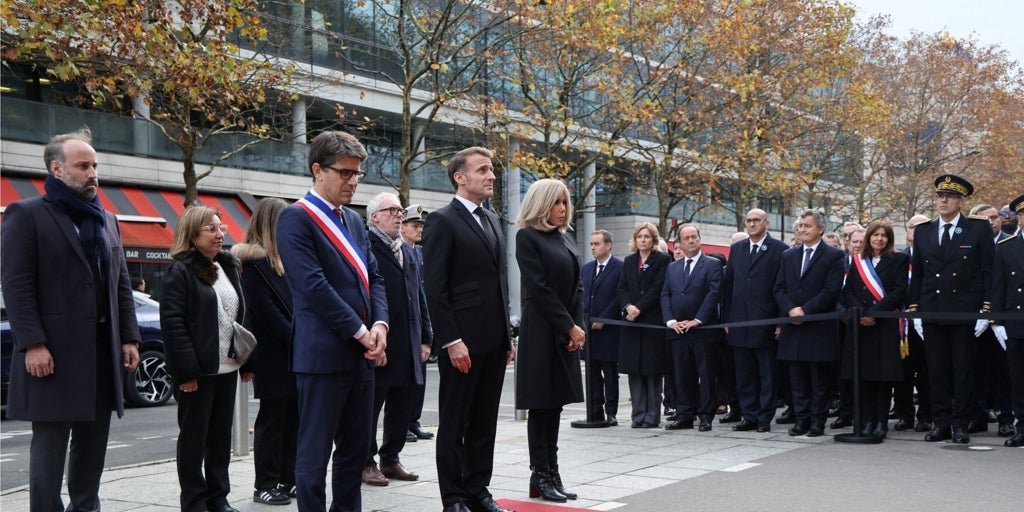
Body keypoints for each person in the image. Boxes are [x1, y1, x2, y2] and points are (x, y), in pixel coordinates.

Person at [0, 128, 141, 512]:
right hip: (53, 353)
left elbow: (121, 285)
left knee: (93, 445)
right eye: (83, 165)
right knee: (49, 448)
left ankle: (86, 507)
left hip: (100, 353)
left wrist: (129, 338)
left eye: (94, 165)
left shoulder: (107, 219)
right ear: (57, 169)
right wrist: (32, 343)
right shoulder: (25, 214)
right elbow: (16, 285)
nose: (93, 172)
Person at [276, 131, 389, 512]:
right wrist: (360, 332)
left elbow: (375, 278)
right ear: (317, 170)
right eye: (344, 173)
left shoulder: (355, 223)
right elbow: (312, 286)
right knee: (314, 454)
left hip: (362, 356)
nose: (353, 181)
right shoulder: (295, 218)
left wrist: (380, 325)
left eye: (357, 174)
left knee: (355, 453)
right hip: (323, 356)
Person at [422, 146, 515, 512]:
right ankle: (454, 498)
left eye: (492, 170)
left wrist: (507, 337)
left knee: (484, 422)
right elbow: (435, 286)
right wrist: (452, 339)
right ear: (460, 177)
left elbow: (500, 284)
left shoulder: (492, 220)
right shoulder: (442, 220)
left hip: (493, 341)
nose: (491, 176)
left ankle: (478, 490)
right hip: (462, 342)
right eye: (483, 170)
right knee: (454, 422)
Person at [161, 205, 254, 512]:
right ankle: (194, 501)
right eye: (211, 229)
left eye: (221, 228)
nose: (220, 234)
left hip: (227, 367)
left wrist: (247, 361)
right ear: (192, 234)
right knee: (193, 440)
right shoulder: (181, 271)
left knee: (219, 439)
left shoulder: (226, 266)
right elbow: (173, 324)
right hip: (197, 373)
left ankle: (218, 498)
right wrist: (186, 373)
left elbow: (239, 317)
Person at [907, 174, 994, 444]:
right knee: (937, 370)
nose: (943, 200)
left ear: (961, 201)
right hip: (933, 309)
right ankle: (940, 422)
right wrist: (915, 309)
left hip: (964, 310)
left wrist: (986, 309)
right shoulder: (924, 231)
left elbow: (989, 271)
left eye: (950, 196)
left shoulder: (977, 229)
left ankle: (960, 424)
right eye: (940, 196)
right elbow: (918, 274)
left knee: (963, 370)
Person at [514, 178, 585, 503]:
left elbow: (578, 286)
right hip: (542, 332)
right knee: (542, 405)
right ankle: (539, 474)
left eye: (565, 203)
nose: (562, 209)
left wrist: (576, 327)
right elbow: (538, 288)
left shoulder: (565, 237)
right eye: (557, 203)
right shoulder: (527, 237)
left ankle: (551, 473)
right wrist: (568, 326)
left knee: (555, 405)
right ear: (542, 204)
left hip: (565, 330)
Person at [363, 193, 432, 487]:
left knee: (402, 406)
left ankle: (391, 459)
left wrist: (426, 338)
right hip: (381, 343)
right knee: (370, 407)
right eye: (392, 210)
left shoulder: (408, 250)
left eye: (400, 210)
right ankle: (366, 463)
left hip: (409, 343)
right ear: (374, 216)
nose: (399, 215)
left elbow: (419, 297)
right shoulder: (366, 246)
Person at [231, 197, 297, 506]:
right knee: (272, 420)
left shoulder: (284, 260)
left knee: (293, 418)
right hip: (273, 355)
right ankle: (265, 484)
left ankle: (289, 478)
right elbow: (266, 315)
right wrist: (301, 338)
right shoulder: (254, 265)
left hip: (292, 353)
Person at [774, 210, 845, 437]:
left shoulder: (833, 255)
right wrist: (790, 309)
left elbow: (831, 290)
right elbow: (779, 288)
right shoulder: (789, 255)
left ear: (820, 229)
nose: (802, 229)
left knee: (819, 380)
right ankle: (801, 419)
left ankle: (817, 421)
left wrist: (805, 311)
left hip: (818, 326)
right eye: (800, 225)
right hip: (793, 327)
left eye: (807, 225)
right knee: (797, 378)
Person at [840, 220, 909, 440]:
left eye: (884, 236)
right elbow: (848, 290)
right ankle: (866, 420)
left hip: (885, 324)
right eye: (875, 235)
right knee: (864, 375)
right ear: (869, 237)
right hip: (861, 325)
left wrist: (875, 312)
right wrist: (862, 313)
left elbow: (899, 291)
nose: (879, 239)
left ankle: (881, 422)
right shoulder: (859, 260)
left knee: (883, 376)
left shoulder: (899, 259)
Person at [722, 208, 788, 433]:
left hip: (766, 321)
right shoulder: (738, 249)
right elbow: (729, 286)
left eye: (756, 220)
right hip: (740, 321)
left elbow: (782, 287)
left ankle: (764, 417)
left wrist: (781, 321)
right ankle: (748, 415)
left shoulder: (780, 249)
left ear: (766, 223)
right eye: (748, 220)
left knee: (767, 373)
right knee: (744, 373)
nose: (751, 224)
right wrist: (727, 320)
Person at [661, 224, 723, 432]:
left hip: (702, 331)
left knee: (705, 375)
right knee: (682, 374)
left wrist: (698, 319)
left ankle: (705, 416)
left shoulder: (712, 264)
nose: (690, 240)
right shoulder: (672, 267)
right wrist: (670, 322)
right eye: (686, 238)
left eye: (694, 237)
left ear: (699, 239)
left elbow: (713, 294)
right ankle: (685, 414)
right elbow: (665, 295)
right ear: (678, 242)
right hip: (678, 331)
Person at [617, 222, 671, 429]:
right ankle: (637, 415)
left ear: (653, 239)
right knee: (634, 371)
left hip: (651, 322)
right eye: (640, 237)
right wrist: (628, 306)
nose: (643, 240)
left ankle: (652, 415)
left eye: (647, 237)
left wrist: (639, 307)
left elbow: (658, 288)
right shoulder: (629, 261)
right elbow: (622, 288)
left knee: (652, 371)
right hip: (631, 323)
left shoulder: (663, 260)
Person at [966, 204, 1014, 436]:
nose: (991, 222)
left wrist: (998, 315)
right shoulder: (970, 243)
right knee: (976, 368)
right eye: (985, 219)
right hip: (976, 316)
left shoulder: (1010, 243)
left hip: (1003, 316)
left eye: (994, 217)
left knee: (1004, 370)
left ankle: (1006, 417)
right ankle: (978, 415)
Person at [892, 214, 934, 433]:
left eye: (921, 227)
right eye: (912, 227)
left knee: (926, 371)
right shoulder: (898, 258)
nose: (916, 232)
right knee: (903, 373)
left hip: (926, 323)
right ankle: (904, 414)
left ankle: (926, 415)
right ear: (906, 231)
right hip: (901, 324)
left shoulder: (933, 256)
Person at [582, 229, 624, 425]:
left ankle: (611, 411)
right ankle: (594, 409)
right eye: (591, 244)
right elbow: (582, 293)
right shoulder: (587, 268)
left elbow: (619, 296)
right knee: (591, 373)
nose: (593, 247)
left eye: (597, 244)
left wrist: (604, 318)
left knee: (609, 372)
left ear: (608, 245)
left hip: (609, 330)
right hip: (589, 329)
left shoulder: (619, 267)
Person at [992, 194, 1024, 447]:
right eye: (1023, 214)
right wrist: (998, 321)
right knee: (1018, 377)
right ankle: (1022, 425)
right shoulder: (1006, 247)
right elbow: (999, 287)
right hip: (1016, 321)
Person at [402, 204, 436, 443]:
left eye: (421, 226)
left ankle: (413, 421)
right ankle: (402, 423)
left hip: (422, 320)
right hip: (406, 324)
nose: (419, 230)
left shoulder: (420, 253)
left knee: (419, 379)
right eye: (414, 226)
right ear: (402, 228)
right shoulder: (400, 252)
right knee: (404, 382)